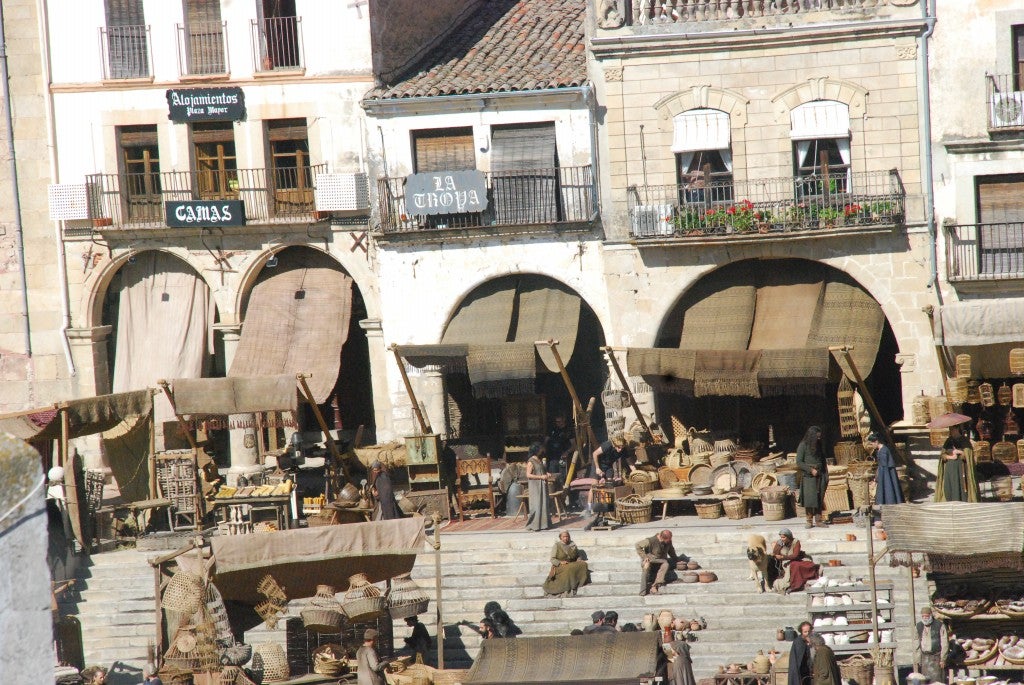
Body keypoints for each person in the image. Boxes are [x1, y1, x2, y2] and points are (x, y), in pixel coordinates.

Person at [935, 423, 980, 502]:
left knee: (960, 488)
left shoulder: (964, 440)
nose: (950, 431)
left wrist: (959, 452)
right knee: (949, 488)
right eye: (950, 429)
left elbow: (968, 454)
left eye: (952, 429)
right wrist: (950, 456)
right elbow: (942, 455)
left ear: (957, 429)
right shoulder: (949, 440)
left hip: (960, 469)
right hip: (949, 469)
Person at [796, 426, 829, 528]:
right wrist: (811, 470)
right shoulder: (803, 445)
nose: (819, 439)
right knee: (810, 498)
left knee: (819, 497)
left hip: (820, 474)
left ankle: (819, 520)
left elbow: (823, 460)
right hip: (809, 476)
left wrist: (826, 474)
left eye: (819, 437)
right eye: (817, 437)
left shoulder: (819, 445)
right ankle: (809, 520)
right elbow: (799, 462)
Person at [542, 531, 590, 597]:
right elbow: (552, 559)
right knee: (569, 569)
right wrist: (560, 562)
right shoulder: (557, 545)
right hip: (560, 566)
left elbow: (577, 555)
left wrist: (579, 559)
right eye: (563, 537)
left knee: (583, 564)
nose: (565, 538)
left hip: (571, 563)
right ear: (560, 538)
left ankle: (578, 581)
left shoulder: (572, 545)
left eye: (567, 536)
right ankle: (567, 586)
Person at [771, 529, 819, 594]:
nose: (782, 539)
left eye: (784, 537)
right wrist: (778, 547)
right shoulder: (780, 543)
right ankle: (793, 585)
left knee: (798, 565)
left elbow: (795, 555)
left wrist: (783, 557)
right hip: (786, 562)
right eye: (781, 537)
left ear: (788, 536)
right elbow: (775, 553)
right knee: (793, 566)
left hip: (798, 559)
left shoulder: (796, 542)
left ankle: (795, 585)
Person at [636, 529, 678, 596]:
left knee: (666, 564)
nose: (670, 540)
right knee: (646, 566)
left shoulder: (668, 541)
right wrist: (644, 557)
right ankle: (643, 591)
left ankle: (654, 586)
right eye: (668, 539)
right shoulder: (650, 541)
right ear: (662, 537)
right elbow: (637, 545)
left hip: (660, 562)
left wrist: (677, 559)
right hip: (649, 560)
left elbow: (671, 551)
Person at [866, 432, 904, 505]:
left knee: (888, 488)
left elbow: (884, 466)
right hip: (883, 473)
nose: (871, 446)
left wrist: (879, 478)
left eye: (872, 444)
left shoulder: (884, 451)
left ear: (876, 442)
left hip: (886, 474)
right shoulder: (880, 450)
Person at [914, 606, 948, 683]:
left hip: (936, 657)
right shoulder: (918, 626)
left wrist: (943, 659)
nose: (925, 618)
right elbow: (916, 644)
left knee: (937, 680)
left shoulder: (939, 625)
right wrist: (918, 659)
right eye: (923, 616)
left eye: (927, 616)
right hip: (924, 657)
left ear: (931, 615)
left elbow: (944, 643)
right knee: (925, 680)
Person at [525, 442, 552, 531]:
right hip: (535, 486)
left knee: (543, 503)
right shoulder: (531, 461)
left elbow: (541, 470)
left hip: (542, 485)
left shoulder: (540, 460)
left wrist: (546, 473)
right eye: (540, 449)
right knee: (536, 505)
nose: (542, 450)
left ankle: (544, 524)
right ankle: (534, 525)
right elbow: (528, 475)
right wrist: (540, 477)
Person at [546, 413, 575, 491]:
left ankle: (563, 494)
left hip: (563, 458)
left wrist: (567, 452)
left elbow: (574, 445)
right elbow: (546, 440)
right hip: (553, 458)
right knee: (552, 476)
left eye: (559, 422)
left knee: (562, 477)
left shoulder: (568, 431)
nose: (557, 423)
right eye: (556, 422)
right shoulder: (553, 430)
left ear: (563, 420)